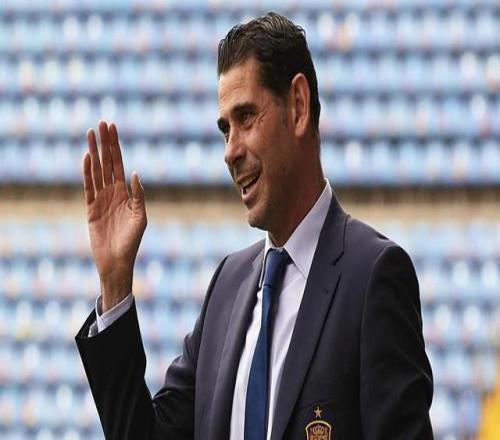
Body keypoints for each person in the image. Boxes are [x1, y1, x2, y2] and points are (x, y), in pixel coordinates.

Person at [75, 12, 433, 440]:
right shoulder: (227, 286)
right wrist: (115, 282)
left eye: (246, 118)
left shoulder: (373, 275)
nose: (230, 151)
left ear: (297, 106)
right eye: (225, 130)